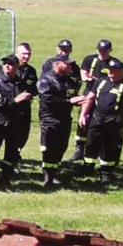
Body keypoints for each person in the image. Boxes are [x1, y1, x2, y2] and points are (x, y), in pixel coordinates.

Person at [0, 55, 31, 185]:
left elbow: (26, 103)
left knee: (12, 153)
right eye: (5, 64)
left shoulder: (20, 83)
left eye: (11, 64)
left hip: (16, 122)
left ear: (17, 67)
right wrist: (15, 100)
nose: (7, 66)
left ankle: (5, 179)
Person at [82, 59, 123, 180]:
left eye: (114, 71)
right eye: (110, 71)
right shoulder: (100, 81)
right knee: (91, 143)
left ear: (121, 72)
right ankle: (87, 167)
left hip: (114, 121)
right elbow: (90, 98)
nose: (111, 73)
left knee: (109, 146)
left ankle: (106, 172)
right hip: (97, 118)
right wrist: (83, 114)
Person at [37, 57, 83, 188]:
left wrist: (79, 101)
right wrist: (69, 101)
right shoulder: (46, 80)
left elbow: (72, 95)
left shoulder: (69, 81)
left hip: (65, 118)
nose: (70, 67)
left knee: (62, 147)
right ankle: (48, 178)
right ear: (57, 64)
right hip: (49, 118)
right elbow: (47, 100)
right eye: (67, 64)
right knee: (49, 148)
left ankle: (54, 173)